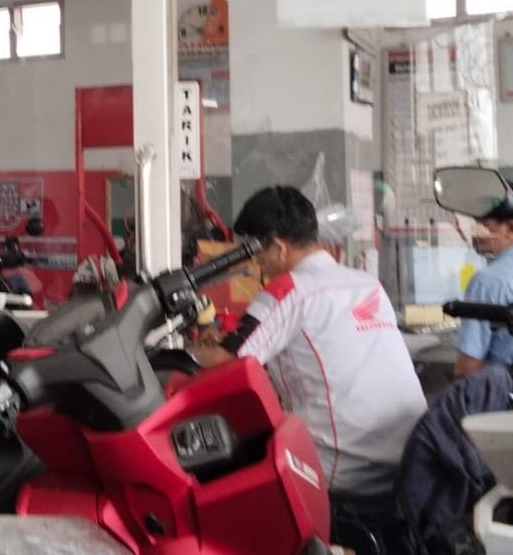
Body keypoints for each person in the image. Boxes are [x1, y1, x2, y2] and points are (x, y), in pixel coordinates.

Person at [195, 186, 426, 551]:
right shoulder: (367, 284)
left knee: (223, 479)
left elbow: (225, 363)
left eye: (256, 253)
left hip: (345, 474)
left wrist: (173, 353)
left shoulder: (290, 289)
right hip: (409, 465)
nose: (256, 266)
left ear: (278, 247)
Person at [454, 210, 513, 378]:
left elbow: (467, 371)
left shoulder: (487, 281)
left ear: (510, 227)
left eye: (485, 225)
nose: (476, 234)